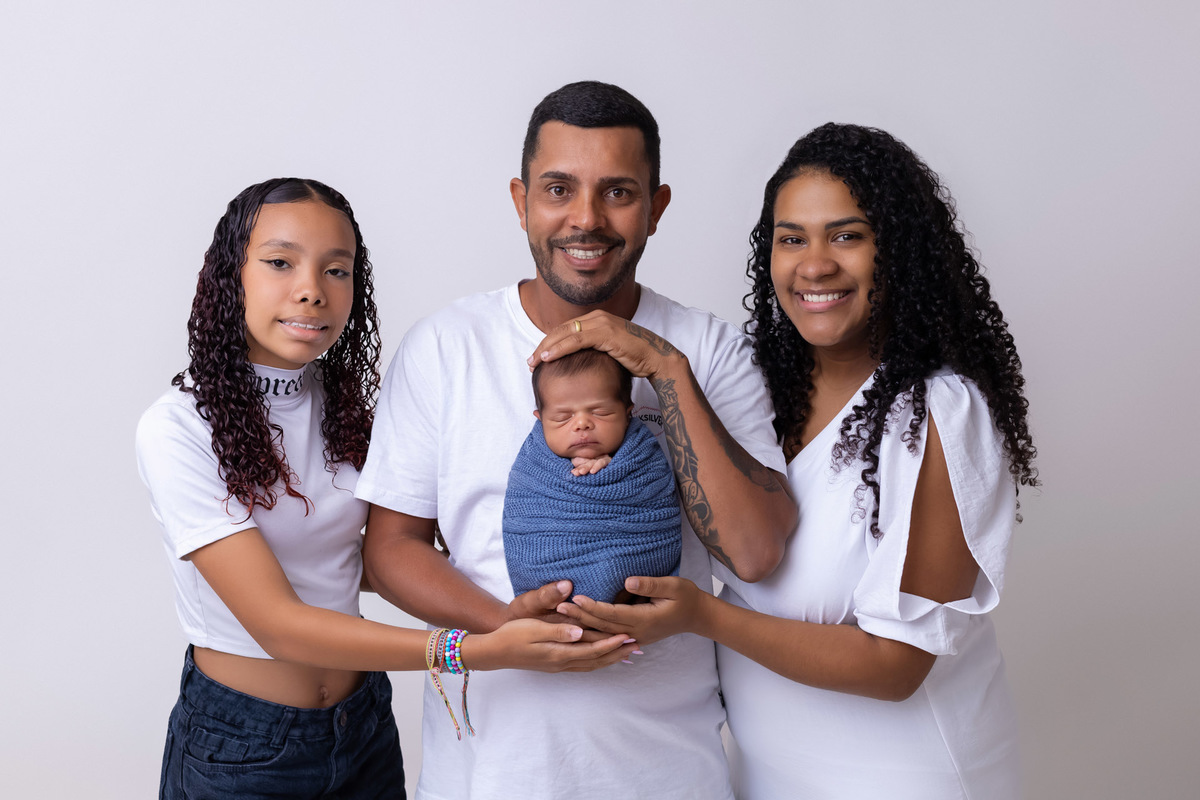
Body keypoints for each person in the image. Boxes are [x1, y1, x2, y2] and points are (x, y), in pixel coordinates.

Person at [562, 123, 1039, 799]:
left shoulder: (939, 413)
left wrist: (703, 616)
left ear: (896, 249)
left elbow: (896, 666)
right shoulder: (762, 393)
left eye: (847, 235)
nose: (814, 265)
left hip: (904, 777)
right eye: (793, 238)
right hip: (768, 773)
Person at [356, 81, 796, 799]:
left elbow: (755, 551)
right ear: (520, 198)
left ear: (656, 208)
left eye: (618, 192)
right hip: (489, 775)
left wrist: (664, 368)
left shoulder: (707, 350)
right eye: (559, 189)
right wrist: (504, 631)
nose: (585, 219)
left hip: (668, 772)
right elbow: (391, 548)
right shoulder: (446, 347)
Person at [136, 178, 636, 800]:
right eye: (279, 263)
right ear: (227, 278)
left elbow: (360, 559)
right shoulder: (179, 427)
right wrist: (479, 649)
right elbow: (278, 624)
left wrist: (548, 585)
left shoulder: (347, 412)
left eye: (337, 270)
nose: (312, 290)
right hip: (244, 748)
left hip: (363, 726)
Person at [503, 348, 681, 604]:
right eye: (563, 417)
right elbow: (525, 519)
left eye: (601, 412)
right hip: (549, 588)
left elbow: (657, 512)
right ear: (540, 419)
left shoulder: (642, 458)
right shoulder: (532, 468)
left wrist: (612, 467)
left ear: (627, 413)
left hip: (635, 579)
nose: (582, 424)